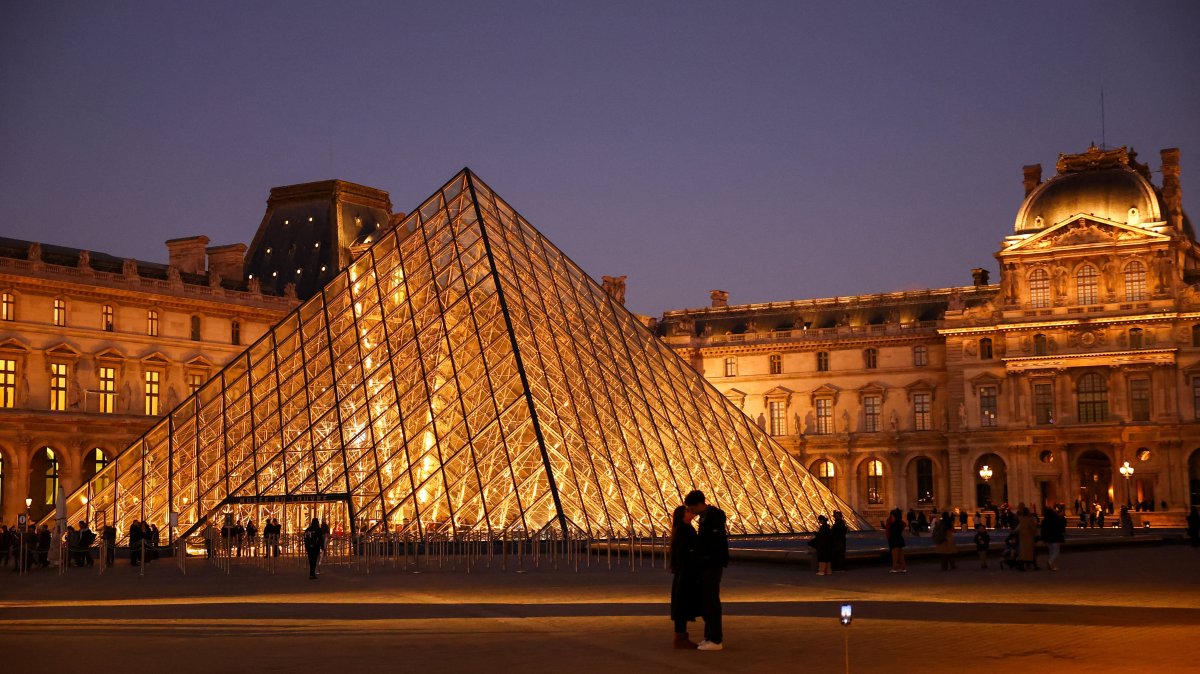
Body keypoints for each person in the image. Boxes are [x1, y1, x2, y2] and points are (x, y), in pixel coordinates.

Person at [685, 490, 727, 652]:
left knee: (711, 600)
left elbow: (712, 543)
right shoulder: (707, 516)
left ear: (698, 505)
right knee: (707, 600)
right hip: (709, 563)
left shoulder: (712, 517)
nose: (691, 512)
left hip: (712, 563)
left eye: (691, 508)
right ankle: (709, 636)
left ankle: (715, 639)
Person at [669, 505, 701, 649]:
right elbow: (686, 552)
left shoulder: (682, 529)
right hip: (686, 572)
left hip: (683, 572)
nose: (691, 512)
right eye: (687, 511)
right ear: (682, 516)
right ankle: (680, 638)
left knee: (682, 604)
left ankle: (680, 637)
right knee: (682, 605)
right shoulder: (684, 530)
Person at [1041, 506, 1066, 571]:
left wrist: (1043, 538)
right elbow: (1061, 527)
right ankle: (1050, 561)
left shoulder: (1044, 521)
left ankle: (1051, 565)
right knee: (1056, 551)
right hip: (1056, 537)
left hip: (1048, 538)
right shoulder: (1057, 519)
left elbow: (1042, 530)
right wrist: (1063, 533)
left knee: (1051, 552)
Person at [1015, 506, 1038, 571]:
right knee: (1029, 552)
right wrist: (1036, 534)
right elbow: (1033, 528)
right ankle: (1030, 565)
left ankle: (1022, 565)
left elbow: (1018, 527)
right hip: (1029, 536)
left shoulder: (1021, 519)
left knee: (1023, 551)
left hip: (1022, 536)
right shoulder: (1030, 519)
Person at [886, 507, 906, 573]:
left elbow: (889, 531)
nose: (891, 517)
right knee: (901, 555)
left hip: (894, 539)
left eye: (892, 516)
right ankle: (903, 568)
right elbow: (903, 525)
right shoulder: (900, 523)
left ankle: (894, 568)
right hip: (899, 539)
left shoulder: (892, 523)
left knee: (894, 555)